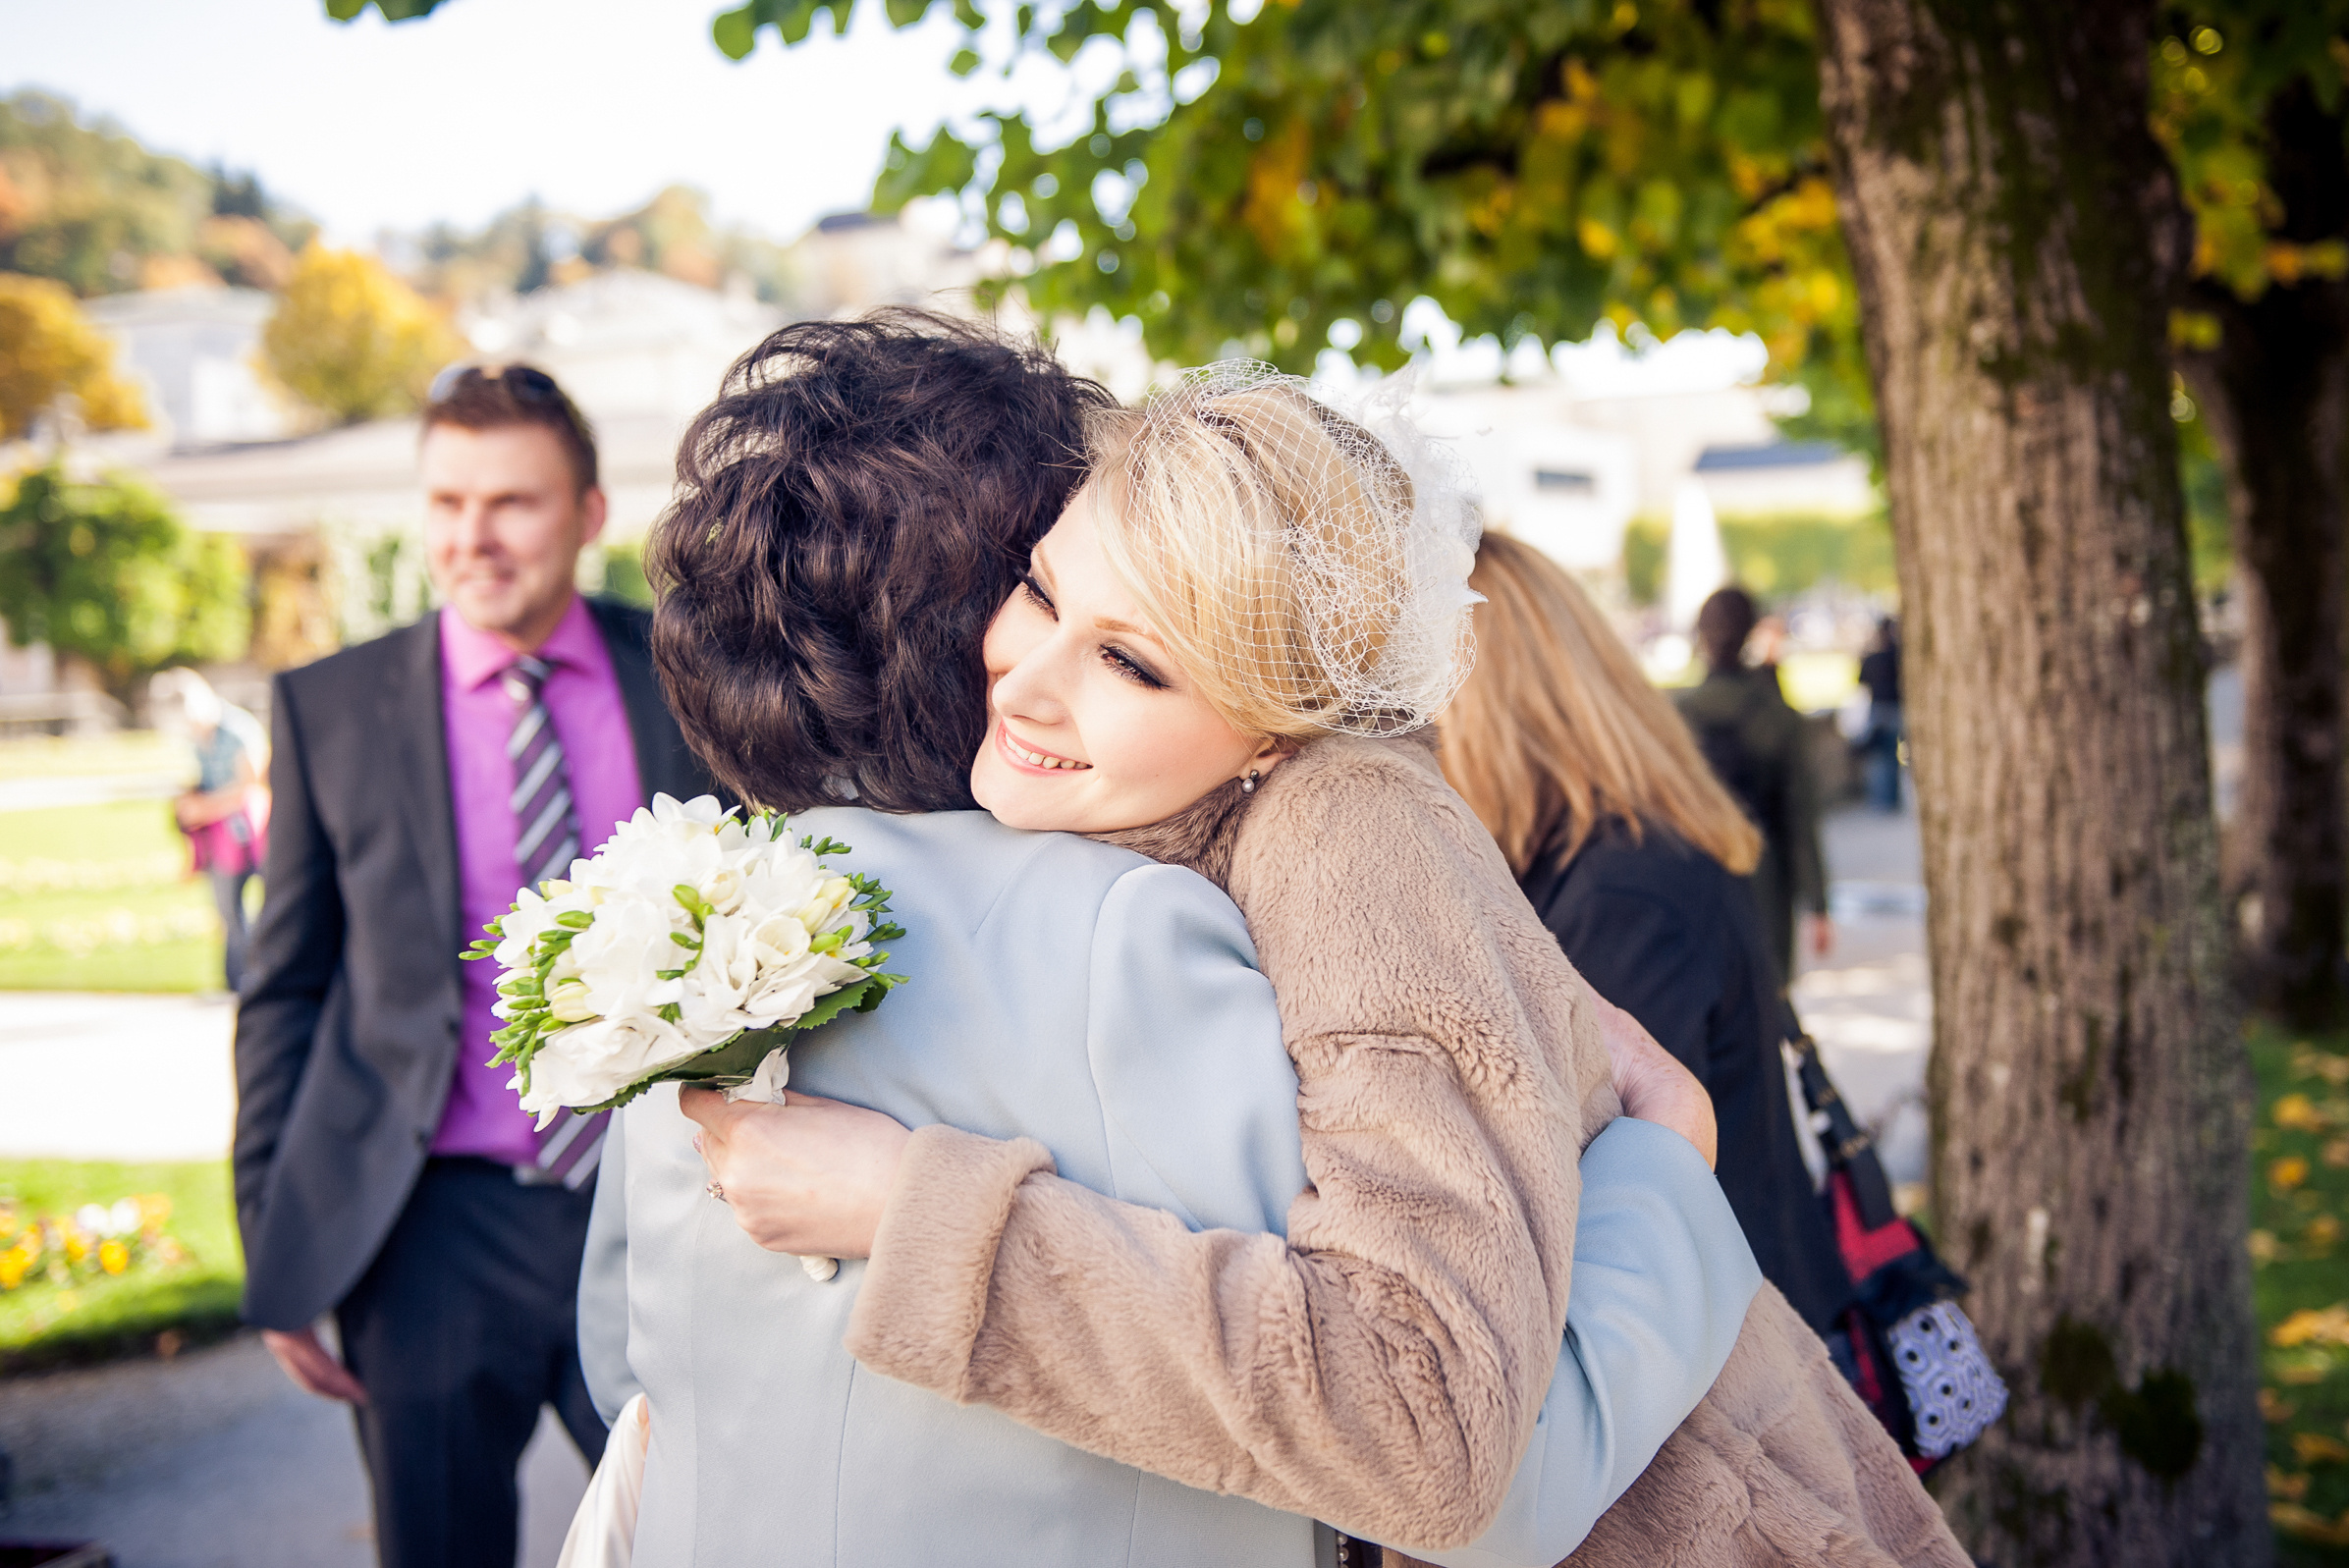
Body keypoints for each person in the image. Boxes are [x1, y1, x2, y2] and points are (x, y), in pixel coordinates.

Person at [589, 332, 1968, 1568]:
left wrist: (920, 1217)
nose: (1031, 673)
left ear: (1278, 723)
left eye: (1136, 661)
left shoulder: (1351, 824)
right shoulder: (1127, 835)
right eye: (1040, 590)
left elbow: (1427, 1429)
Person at [232, 363, 720, 1568]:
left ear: (592, 514)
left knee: (707, 1538)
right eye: (447, 502)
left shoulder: (693, 676)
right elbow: (285, 986)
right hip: (430, 1231)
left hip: (664, 1202)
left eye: (513, 502)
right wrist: (275, 1239)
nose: (473, 537)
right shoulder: (328, 708)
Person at [1435, 533, 1853, 1334]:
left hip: (1734, 1364)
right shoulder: (1633, 847)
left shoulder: (1621, 893)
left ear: (1473, 705)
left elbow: (1597, 1198)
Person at [1675, 584, 1831, 985]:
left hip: (1694, 876)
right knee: (1768, 999)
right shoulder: (1777, 714)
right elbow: (1800, 815)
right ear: (1750, 633)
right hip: (1764, 874)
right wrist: (1818, 904)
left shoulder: (1674, 715)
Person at [150, 666, 270, 993]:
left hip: (255, 832)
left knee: (274, 904)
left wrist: (205, 807)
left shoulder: (237, 730)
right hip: (221, 838)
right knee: (228, 912)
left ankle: (268, 977)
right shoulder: (195, 739)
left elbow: (252, 786)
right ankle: (238, 982)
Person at [1858, 616, 1905, 811]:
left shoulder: (1873, 656)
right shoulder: (1896, 655)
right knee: (1890, 757)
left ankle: (1883, 800)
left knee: (1880, 759)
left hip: (1879, 708)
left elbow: (1860, 681)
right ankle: (1890, 799)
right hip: (1892, 708)